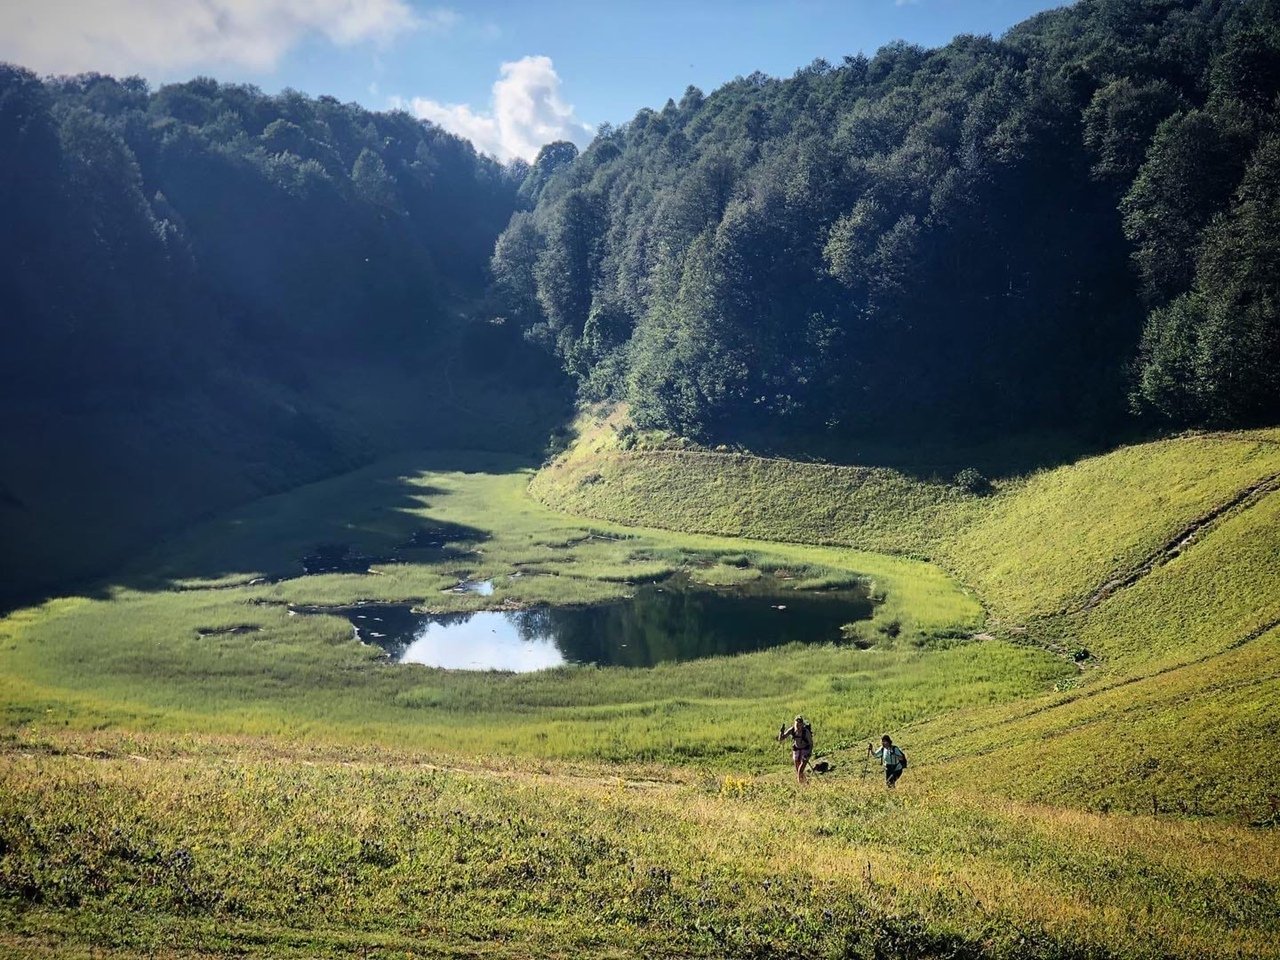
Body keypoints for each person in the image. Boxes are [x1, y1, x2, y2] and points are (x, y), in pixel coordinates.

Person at [779, 715, 814, 783]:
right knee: (798, 770)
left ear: (802, 724)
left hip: (805, 751)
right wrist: (781, 731)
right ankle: (806, 784)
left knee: (800, 770)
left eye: (800, 725)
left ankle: (800, 785)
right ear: (795, 724)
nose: (798, 727)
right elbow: (781, 738)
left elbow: (811, 744)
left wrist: (808, 754)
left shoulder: (806, 732)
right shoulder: (792, 730)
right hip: (796, 750)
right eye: (797, 725)